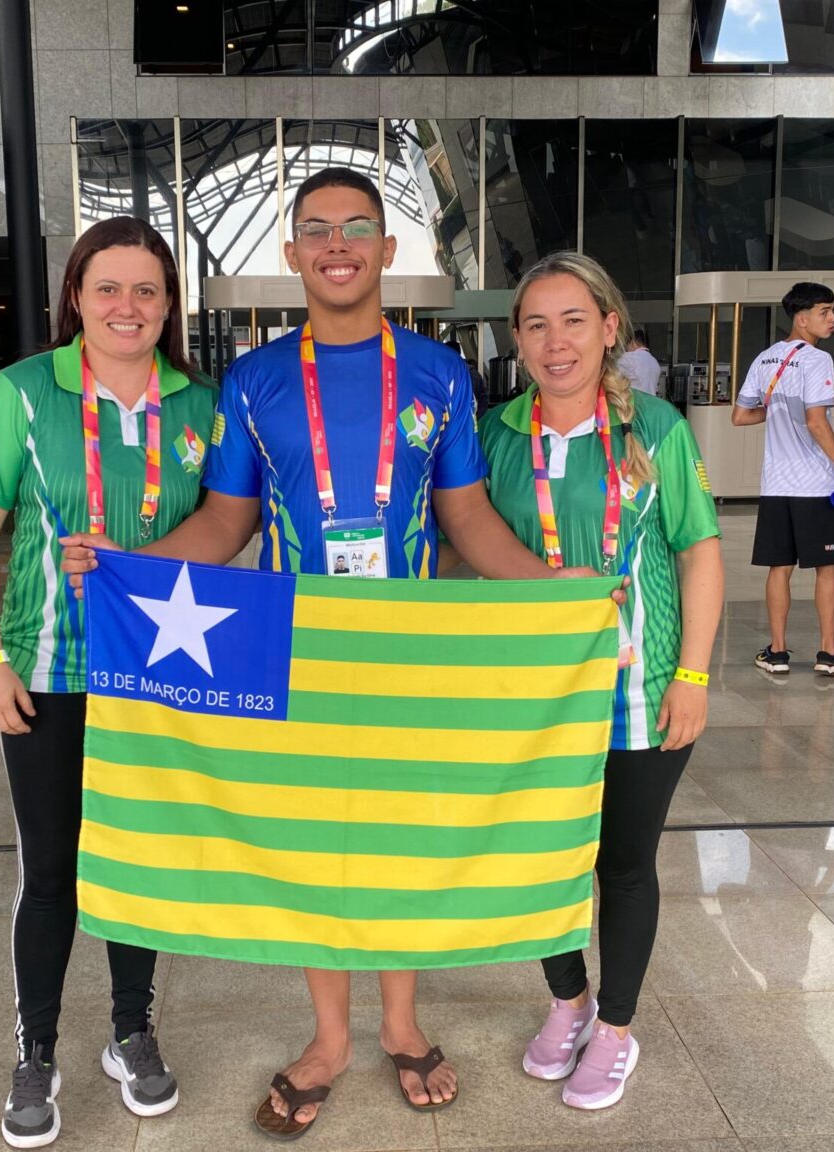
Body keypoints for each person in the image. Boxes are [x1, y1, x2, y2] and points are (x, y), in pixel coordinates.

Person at [60, 167, 603, 1140]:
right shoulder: (258, 380)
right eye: (317, 228)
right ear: (294, 252)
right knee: (319, 842)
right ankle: (330, 1039)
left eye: (359, 226)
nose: (338, 243)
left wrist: (546, 590)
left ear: (390, 251)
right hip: (297, 644)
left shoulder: (437, 372)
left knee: (401, 833)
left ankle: (400, 1024)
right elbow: (227, 520)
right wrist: (124, 568)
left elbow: (467, 517)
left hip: (408, 647)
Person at [0, 216, 213, 1147]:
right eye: (108, 288)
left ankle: (131, 1030)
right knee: (52, 868)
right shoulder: (22, 395)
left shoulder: (199, 407)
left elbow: (227, 532)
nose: (127, 307)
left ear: (169, 304)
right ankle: (38, 1050)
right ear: (75, 297)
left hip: (158, 676)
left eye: (147, 290)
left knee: (136, 860)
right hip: (47, 672)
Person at [477, 252, 724, 1110]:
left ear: (609, 326)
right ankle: (568, 1001)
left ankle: (615, 1027)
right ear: (516, 339)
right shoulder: (495, 436)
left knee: (622, 864)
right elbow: (465, 548)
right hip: (539, 697)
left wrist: (692, 674)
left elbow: (698, 552)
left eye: (574, 320)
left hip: (643, 692)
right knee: (545, 861)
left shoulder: (655, 427)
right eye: (536, 325)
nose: (556, 342)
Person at [731, 282, 834, 676]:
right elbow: (816, 421)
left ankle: (776, 653)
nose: (833, 319)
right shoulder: (816, 360)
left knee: (780, 567)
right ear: (801, 317)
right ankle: (829, 654)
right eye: (825, 311)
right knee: (827, 568)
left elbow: (740, 415)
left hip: (775, 485)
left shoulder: (764, 359)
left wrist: (776, 410)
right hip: (814, 486)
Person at [616, 327, 661, 396]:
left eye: (627, 346)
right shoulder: (654, 362)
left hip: (633, 404)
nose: (626, 349)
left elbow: (612, 379)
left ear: (632, 343)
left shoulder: (627, 358)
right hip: (651, 403)